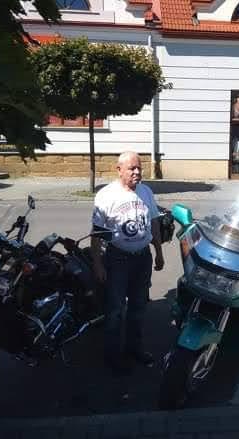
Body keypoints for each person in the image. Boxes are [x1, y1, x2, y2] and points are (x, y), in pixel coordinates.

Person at [91, 151, 165, 374]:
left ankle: (135, 348)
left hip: (142, 258)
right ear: (119, 170)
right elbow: (97, 233)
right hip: (117, 259)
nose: (137, 172)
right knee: (115, 310)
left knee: (138, 306)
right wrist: (98, 264)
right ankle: (113, 356)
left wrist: (159, 252)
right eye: (132, 168)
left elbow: (154, 223)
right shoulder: (106, 195)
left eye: (139, 168)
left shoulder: (146, 191)